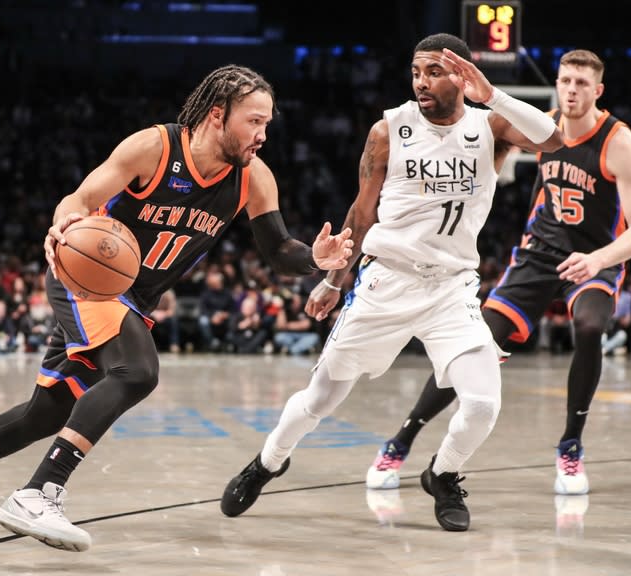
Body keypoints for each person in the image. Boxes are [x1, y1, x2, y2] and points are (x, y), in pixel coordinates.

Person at [0, 64, 353, 552]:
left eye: (268, 123)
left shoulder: (253, 178)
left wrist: (313, 258)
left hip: (134, 299)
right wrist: (63, 223)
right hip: (84, 276)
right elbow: (80, 198)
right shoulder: (155, 148)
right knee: (137, 371)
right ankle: (38, 492)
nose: (263, 134)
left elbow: (277, 248)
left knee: (46, 414)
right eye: (254, 121)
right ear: (217, 114)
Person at [220, 33, 563, 532]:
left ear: (462, 75)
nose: (421, 82)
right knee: (319, 399)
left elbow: (554, 140)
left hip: (452, 288)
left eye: (433, 72)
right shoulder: (390, 129)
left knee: (484, 402)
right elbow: (362, 213)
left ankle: (442, 474)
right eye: (416, 72)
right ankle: (269, 461)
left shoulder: (492, 124)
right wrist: (334, 282)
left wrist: (493, 95)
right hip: (387, 281)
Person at [365, 49, 631, 497]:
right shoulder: (542, 126)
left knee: (591, 326)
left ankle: (570, 446)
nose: (572, 90)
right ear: (556, 84)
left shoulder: (619, 140)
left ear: (597, 91)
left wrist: (599, 260)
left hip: (593, 257)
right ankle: (401, 441)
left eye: (582, 83)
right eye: (565, 81)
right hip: (539, 256)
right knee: (471, 343)